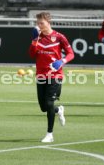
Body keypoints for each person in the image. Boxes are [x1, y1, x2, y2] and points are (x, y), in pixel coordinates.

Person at [29, 12, 74, 143]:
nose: (39, 25)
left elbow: (71, 53)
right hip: (41, 75)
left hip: (55, 75)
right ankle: (58, 110)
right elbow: (32, 55)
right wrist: (33, 41)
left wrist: (62, 61)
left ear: (49, 22)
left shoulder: (59, 37)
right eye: (38, 23)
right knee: (44, 107)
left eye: (41, 23)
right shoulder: (38, 38)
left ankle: (50, 134)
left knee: (49, 103)